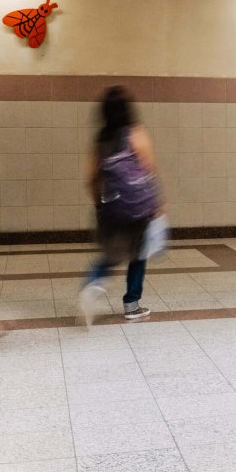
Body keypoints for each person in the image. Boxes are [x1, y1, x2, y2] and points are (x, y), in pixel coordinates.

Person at [79, 86, 161, 324]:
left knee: (111, 255)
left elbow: (91, 180)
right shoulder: (137, 133)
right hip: (138, 208)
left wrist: (99, 205)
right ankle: (132, 304)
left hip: (112, 207)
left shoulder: (101, 141)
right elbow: (149, 170)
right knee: (138, 255)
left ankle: (92, 284)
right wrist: (157, 203)